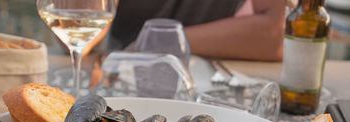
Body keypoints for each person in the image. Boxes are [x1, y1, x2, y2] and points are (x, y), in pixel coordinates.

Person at [104, 0, 285, 61]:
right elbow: (84, 16)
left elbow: (273, 34)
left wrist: (163, 41)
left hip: (208, 76)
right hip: (115, 64)